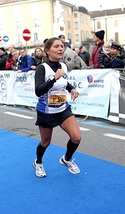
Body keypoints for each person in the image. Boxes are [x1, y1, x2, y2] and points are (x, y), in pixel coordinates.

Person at [33, 37, 81, 178]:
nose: (60, 48)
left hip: (62, 109)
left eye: (62, 46)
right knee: (45, 142)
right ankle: (38, 162)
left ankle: (66, 159)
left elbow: (64, 83)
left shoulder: (63, 66)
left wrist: (72, 89)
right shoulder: (42, 68)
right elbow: (38, 91)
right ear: (47, 51)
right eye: (56, 46)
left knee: (76, 137)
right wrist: (53, 78)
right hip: (46, 111)